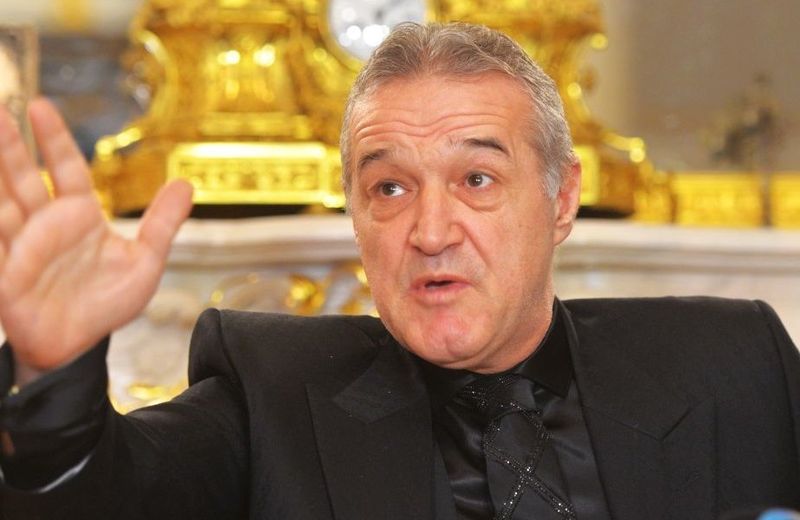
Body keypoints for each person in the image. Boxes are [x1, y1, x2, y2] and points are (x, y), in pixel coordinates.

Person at [0, 21, 798, 520]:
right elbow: (103, 496)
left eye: (476, 179)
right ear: (356, 214)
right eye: (390, 188)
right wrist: (55, 373)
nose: (430, 230)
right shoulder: (271, 395)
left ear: (561, 200)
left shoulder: (733, 363)